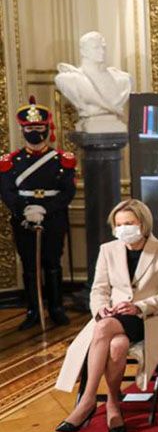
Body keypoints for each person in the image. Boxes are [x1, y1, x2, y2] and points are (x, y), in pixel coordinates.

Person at [53, 199, 158, 432]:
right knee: (117, 344)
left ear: (142, 224)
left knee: (103, 329)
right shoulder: (108, 250)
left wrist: (139, 306)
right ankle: (113, 403)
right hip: (113, 317)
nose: (123, 228)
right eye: (119, 224)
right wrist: (101, 309)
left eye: (129, 223)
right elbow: (99, 289)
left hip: (146, 319)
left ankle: (88, 400)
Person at [0, 98, 76, 329]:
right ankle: (33, 310)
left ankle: (56, 308)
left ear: (47, 128)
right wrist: (25, 211)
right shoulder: (10, 162)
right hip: (24, 218)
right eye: (30, 127)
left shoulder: (62, 160)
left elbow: (68, 191)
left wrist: (44, 209)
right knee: (30, 266)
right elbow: (6, 191)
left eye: (39, 127)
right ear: (23, 129)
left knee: (52, 263)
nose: (34, 131)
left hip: (53, 217)